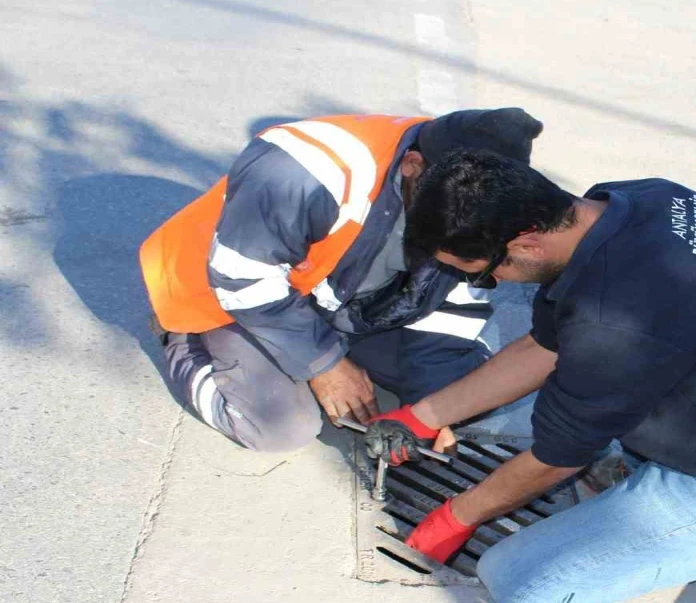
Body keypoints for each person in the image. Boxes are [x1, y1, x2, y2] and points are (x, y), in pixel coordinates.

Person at [364, 150, 696, 603]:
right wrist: (420, 417)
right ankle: (643, 472)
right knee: (602, 398)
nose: (489, 285)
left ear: (527, 243)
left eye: (480, 274)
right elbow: (545, 347)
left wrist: (455, 517)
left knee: (518, 583)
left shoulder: (611, 321)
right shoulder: (636, 200)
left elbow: (557, 459)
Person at [139, 109, 543, 451]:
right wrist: (325, 365)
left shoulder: (481, 197)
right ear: (412, 165)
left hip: (338, 298)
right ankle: (186, 343)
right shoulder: (304, 170)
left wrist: (435, 411)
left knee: (471, 392)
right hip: (229, 294)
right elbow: (244, 279)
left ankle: (321, 351)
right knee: (280, 428)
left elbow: (452, 305)